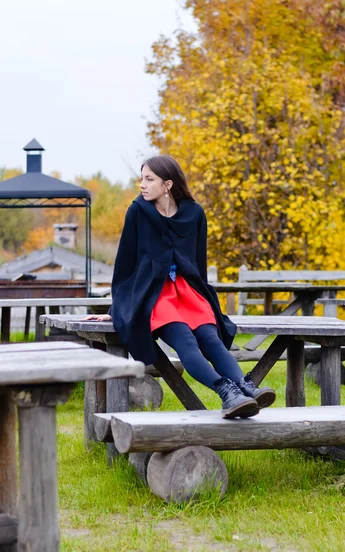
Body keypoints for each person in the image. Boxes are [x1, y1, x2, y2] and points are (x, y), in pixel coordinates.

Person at [87, 156, 276, 418]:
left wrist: (205, 299)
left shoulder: (194, 213)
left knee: (211, 339)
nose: (142, 184)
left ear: (167, 184)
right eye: (142, 178)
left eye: (149, 179)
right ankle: (227, 393)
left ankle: (246, 389)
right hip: (155, 294)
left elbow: (199, 263)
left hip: (189, 291)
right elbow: (124, 265)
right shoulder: (137, 212)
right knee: (185, 341)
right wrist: (117, 306)